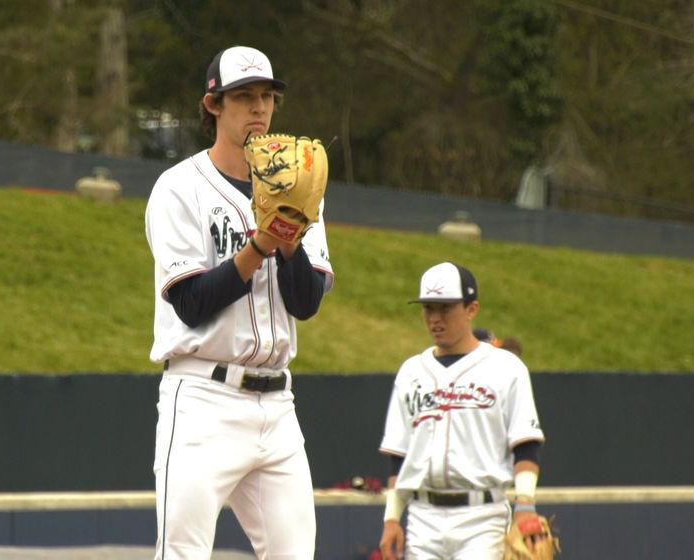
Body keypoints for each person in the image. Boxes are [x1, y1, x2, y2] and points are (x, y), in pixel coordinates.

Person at [144, 45, 334, 559]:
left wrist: (290, 240)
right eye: (243, 97)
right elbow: (192, 302)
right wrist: (260, 246)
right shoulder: (179, 189)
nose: (258, 109)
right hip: (205, 398)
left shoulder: (297, 181)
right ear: (213, 106)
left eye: (266, 97)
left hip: (277, 405)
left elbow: (306, 302)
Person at [378, 262, 547, 560]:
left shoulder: (506, 368)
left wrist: (525, 507)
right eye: (428, 308)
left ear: (472, 309)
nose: (435, 318)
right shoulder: (411, 372)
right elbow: (398, 457)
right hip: (422, 518)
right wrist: (392, 518)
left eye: (445, 308)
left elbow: (527, 446)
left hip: (483, 518)